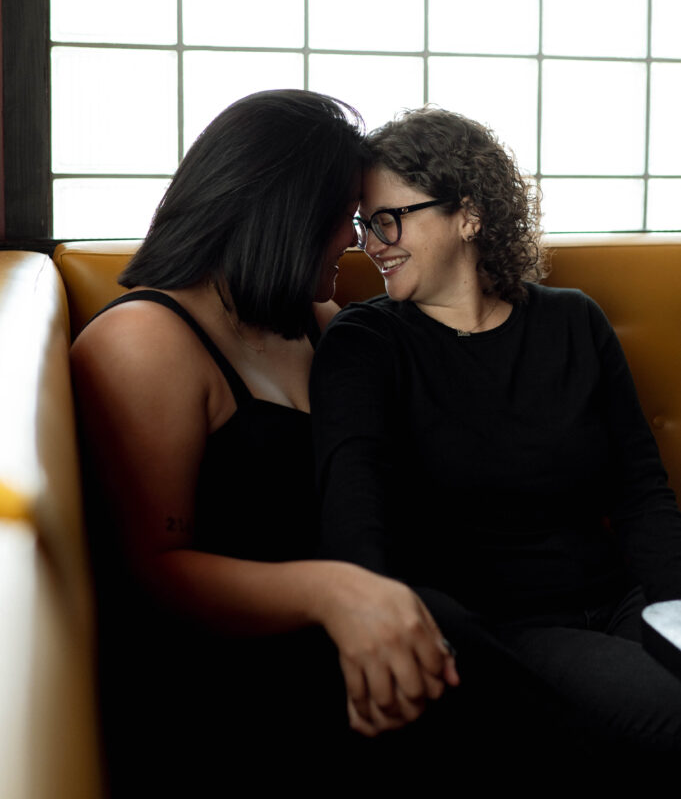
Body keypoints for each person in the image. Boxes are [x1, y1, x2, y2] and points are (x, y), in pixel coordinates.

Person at [70, 90, 458, 793]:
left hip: (367, 633)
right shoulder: (142, 341)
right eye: (346, 218)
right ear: (287, 212)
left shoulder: (312, 316)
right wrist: (332, 592)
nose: (358, 241)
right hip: (232, 687)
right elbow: (152, 570)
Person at [310, 106, 681, 768]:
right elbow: (352, 522)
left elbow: (639, 493)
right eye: (366, 225)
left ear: (468, 214)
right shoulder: (365, 345)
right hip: (511, 632)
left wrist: (675, 610)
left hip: (625, 598)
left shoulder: (573, 321)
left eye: (390, 219)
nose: (372, 243)